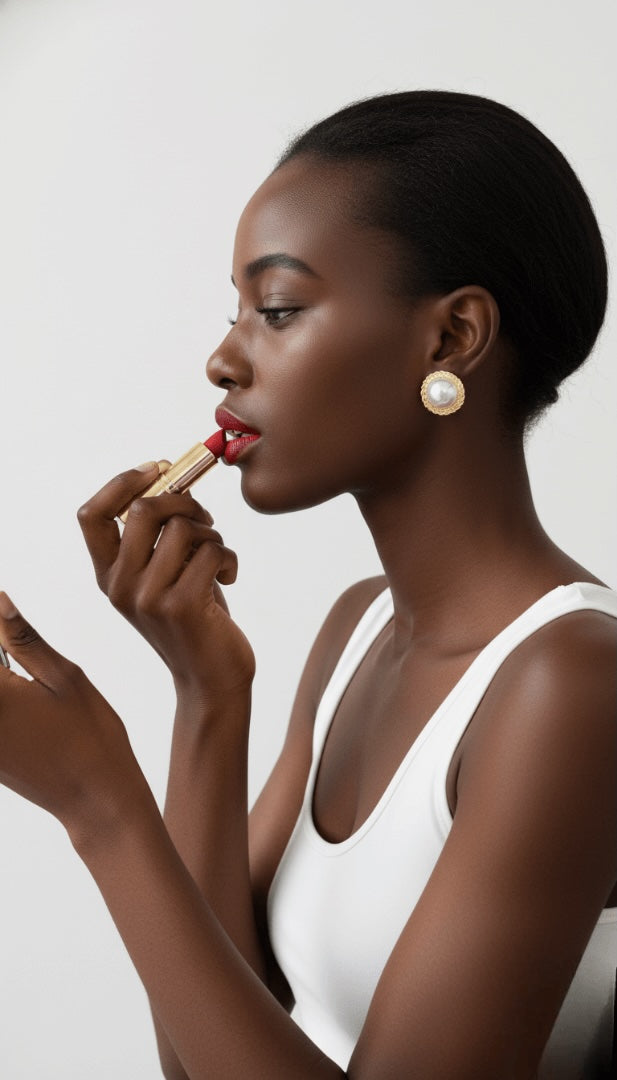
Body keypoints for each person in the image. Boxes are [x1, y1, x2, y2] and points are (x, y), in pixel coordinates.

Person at [0, 90, 615, 1079]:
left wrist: (97, 801)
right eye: (235, 314)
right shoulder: (357, 629)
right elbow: (195, 1058)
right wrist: (207, 694)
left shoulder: (572, 684)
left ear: (451, 338)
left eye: (277, 310)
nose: (222, 360)